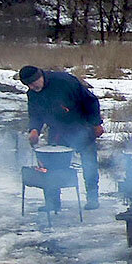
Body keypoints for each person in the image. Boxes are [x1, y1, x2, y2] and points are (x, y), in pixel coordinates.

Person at [19, 65, 104, 211]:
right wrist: (34, 130)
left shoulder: (65, 81)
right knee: (51, 165)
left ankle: (92, 199)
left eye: (35, 82)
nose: (33, 86)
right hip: (58, 131)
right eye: (29, 85)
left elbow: (90, 100)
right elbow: (35, 114)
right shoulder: (33, 94)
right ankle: (53, 203)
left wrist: (96, 123)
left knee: (89, 163)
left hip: (82, 126)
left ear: (41, 76)